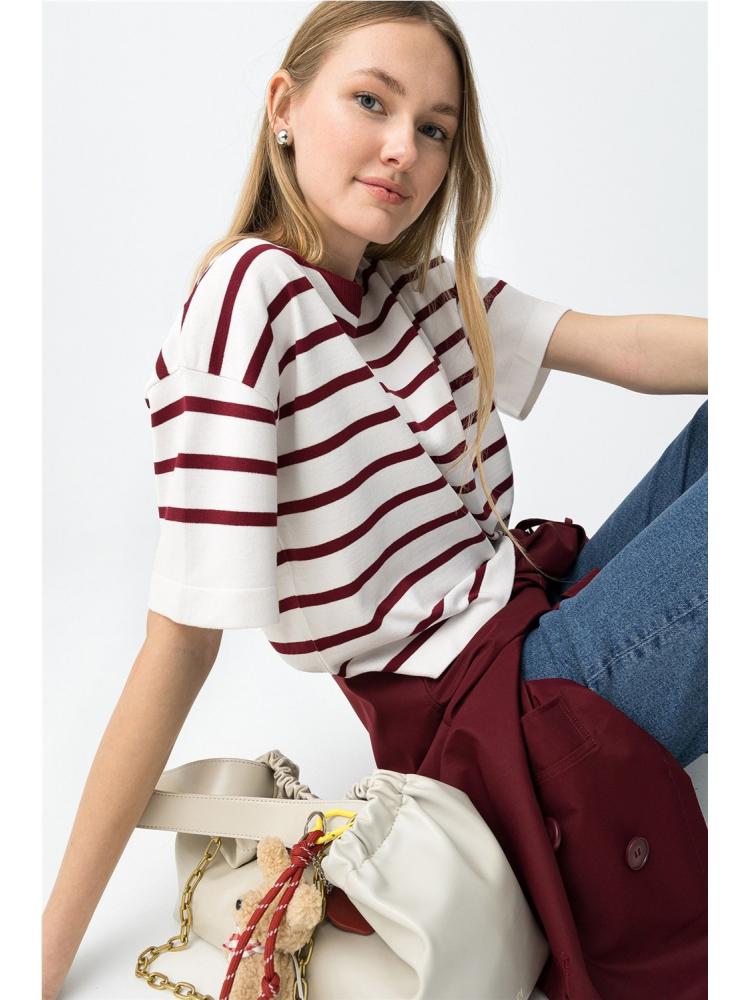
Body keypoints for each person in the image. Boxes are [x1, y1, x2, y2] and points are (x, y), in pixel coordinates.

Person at [42, 3, 707, 998]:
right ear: (285, 106)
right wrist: (45, 952)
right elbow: (177, 644)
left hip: (536, 625)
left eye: (434, 128)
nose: (404, 149)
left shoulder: (415, 292)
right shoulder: (246, 300)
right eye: (371, 102)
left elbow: (624, 345)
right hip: (503, 718)